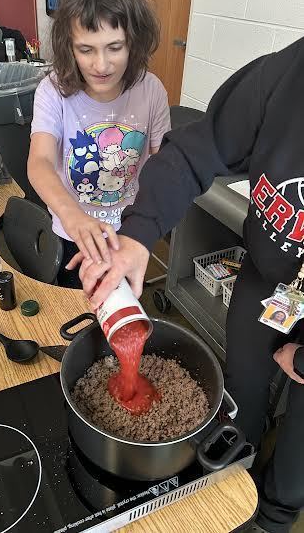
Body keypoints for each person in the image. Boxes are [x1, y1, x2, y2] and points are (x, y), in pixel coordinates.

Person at [70, 37, 304, 533]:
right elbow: (196, 151)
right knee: (242, 385)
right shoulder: (289, 74)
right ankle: (229, 479)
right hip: (270, 277)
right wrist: (137, 235)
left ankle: (276, 513)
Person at [27, 0, 171, 288]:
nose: (101, 65)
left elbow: (165, 169)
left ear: (134, 41)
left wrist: (146, 229)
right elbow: (39, 162)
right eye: (86, 50)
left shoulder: (152, 92)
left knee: (123, 315)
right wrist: (73, 216)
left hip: (129, 237)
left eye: (115, 48)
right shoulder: (52, 91)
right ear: (69, 46)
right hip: (71, 236)